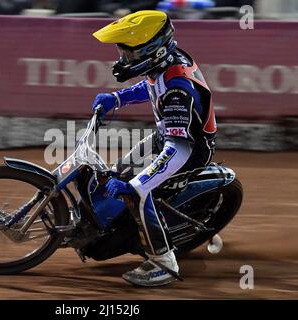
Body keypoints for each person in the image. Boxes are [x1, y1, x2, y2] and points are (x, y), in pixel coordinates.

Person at [92, 10, 217, 286]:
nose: (123, 61)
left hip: (188, 152)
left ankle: (163, 262)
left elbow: (179, 150)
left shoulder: (177, 90)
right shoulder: (165, 63)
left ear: (153, 52)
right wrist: (117, 98)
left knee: (137, 192)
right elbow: (150, 87)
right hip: (168, 137)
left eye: (129, 56)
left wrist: (137, 185)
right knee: (119, 171)